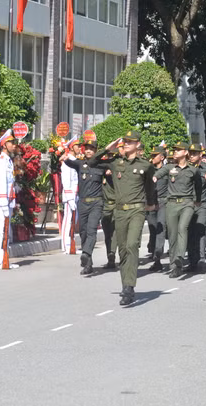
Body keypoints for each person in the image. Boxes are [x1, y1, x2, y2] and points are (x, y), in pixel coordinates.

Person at [91, 131, 156, 306]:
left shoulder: (145, 165)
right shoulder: (115, 163)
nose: (126, 144)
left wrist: (150, 203)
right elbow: (91, 163)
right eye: (124, 141)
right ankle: (125, 285)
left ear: (137, 145)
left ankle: (129, 286)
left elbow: (151, 187)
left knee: (132, 244)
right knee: (122, 249)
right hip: (119, 212)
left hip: (137, 210)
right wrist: (107, 148)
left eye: (130, 142)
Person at [155, 142, 202, 277]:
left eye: (178, 150)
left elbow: (198, 186)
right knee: (172, 234)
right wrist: (154, 177)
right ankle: (175, 266)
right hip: (171, 204)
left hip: (187, 203)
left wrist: (197, 200)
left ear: (185, 153)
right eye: (174, 150)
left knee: (183, 227)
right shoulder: (170, 167)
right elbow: (159, 173)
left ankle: (180, 256)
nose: (175, 152)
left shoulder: (193, 170)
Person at [64, 138, 110, 275]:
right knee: (83, 232)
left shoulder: (102, 165)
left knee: (91, 230)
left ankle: (86, 253)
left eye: (91, 148)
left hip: (96, 202)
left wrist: (111, 174)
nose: (89, 150)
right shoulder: (80, 164)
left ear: (96, 151)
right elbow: (67, 162)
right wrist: (62, 155)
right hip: (83, 202)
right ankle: (88, 264)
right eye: (87, 148)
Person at [0, 129, 19, 270]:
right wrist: (3, 204)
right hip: (1, 201)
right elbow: (1, 184)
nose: (14, 145)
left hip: (8, 200)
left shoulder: (8, 161)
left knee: (6, 230)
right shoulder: (1, 161)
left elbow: (10, 183)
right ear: (4, 145)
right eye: (11, 142)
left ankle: (4, 258)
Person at [187, 144, 206, 271]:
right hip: (188, 204)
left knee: (200, 231)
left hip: (202, 204)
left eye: (194, 153)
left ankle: (201, 259)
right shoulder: (185, 168)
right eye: (190, 153)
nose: (191, 156)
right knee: (190, 232)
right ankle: (192, 261)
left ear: (200, 155)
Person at [147, 147, 169, 271]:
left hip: (163, 203)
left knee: (160, 228)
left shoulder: (166, 171)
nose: (152, 157)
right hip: (151, 203)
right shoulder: (149, 170)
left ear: (162, 157)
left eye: (155, 155)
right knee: (152, 228)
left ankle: (158, 256)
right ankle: (154, 252)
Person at [60, 139, 79, 253]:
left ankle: (71, 243)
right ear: (71, 147)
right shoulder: (67, 161)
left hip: (75, 194)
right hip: (69, 196)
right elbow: (66, 181)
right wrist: (70, 197)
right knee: (68, 220)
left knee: (73, 220)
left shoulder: (75, 160)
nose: (79, 148)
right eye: (77, 146)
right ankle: (66, 245)